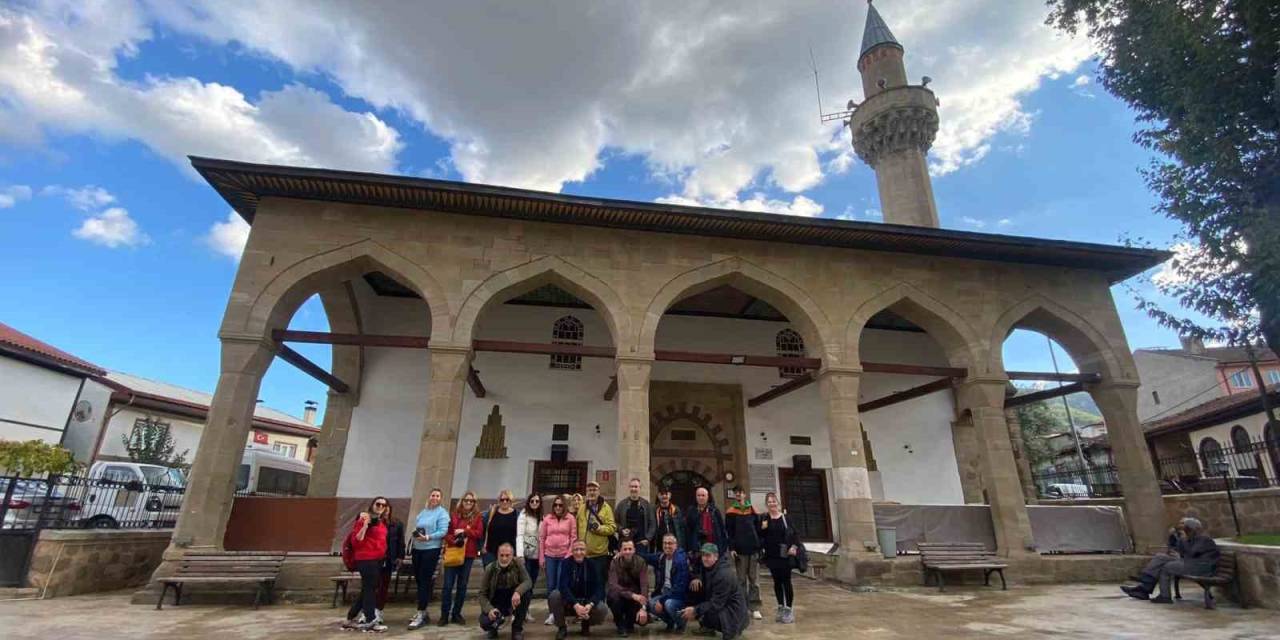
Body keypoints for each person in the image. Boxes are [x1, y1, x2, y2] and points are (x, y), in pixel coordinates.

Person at [1121, 517, 1220, 603]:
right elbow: (1176, 549)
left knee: (1167, 567)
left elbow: (1191, 553)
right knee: (1160, 557)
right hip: (1191, 563)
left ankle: (1162, 595)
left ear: (1192, 529)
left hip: (1201, 567)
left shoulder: (1204, 539)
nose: (1184, 530)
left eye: (1186, 529)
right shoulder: (1189, 539)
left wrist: (1182, 548)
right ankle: (1146, 582)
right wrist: (1174, 537)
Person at [680, 543, 750, 640]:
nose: (705, 558)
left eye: (708, 555)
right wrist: (697, 578)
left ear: (716, 557)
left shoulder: (723, 574)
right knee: (694, 590)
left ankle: (731, 629)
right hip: (724, 605)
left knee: (705, 613)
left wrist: (695, 610)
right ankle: (708, 626)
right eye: (703, 555)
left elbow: (716, 604)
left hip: (734, 613)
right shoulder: (708, 567)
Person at [341, 497, 389, 632]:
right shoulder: (363, 519)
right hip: (366, 559)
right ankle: (370, 620)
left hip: (377, 560)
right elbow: (357, 541)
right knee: (370, 589)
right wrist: (364, 525)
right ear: (372, 505)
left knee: (368, 588)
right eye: (378, 504)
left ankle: (350, 618)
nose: (380, 506)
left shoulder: (381, 522)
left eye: (383, 505)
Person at [408, 488, 451, 630]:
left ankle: (421, 611)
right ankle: (423, 611)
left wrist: (428, 537)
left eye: (437, 496)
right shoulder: (423, 512)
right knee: (419, 580)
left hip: (431, 549)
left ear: (441, 498)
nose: (434, 497)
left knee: (425, 580)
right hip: (417, 548)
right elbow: (418, 526)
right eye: (432, 495)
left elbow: (443, 531)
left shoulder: (442, 513)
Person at [439, 491, 484, 626]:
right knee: (447, 586)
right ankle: (444, 614)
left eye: (471, 501)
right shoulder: (453, 516)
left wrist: (465, 532)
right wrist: (454, 541)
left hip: (468, 554)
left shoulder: (477, 517)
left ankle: (456, 613)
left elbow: (479, 533)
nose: (468, 503)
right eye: (466, 500)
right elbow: (446, 533)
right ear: (462, 501)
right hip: (453, 552)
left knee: (462, 586)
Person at [549, 539, 607, 640]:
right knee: (554, 595)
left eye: (582, 549)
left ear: (586, 551)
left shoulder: (592, 564)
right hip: (570, 602)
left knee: (602, 609)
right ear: (572, 551)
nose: (579, 552)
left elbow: (599, 588)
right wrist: (575, 605)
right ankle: (562, 627)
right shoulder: (566, 563)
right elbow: (563, 586)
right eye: (576, 549)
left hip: (587, 603)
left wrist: (590, 604)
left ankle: (586, 623)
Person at [759, 492, 800, 623]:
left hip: (785, 554)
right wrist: (763, 529)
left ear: (778, 502)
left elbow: (795, 535)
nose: (772, 503)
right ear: (767, 504)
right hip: (772, 555)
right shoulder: (765, 518)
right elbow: (761, 536)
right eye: (769, 501)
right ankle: (780, 606)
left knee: (786, 581)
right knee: (776, 581)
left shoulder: (786, 518)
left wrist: (793, 546)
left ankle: (789, 608)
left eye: (773, 501)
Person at [478, 542, 533, 640]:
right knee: (484, 622)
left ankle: (517, 629)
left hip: (512, 600)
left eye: (507, 555)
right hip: (496, 601)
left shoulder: (518, 565)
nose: (504, 558)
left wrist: (518, 592)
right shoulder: (490, 568)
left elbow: (528, 581)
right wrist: (489, 609)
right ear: (497, 555)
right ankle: (492, 629)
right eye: (501, 555)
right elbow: (482, 593)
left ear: (512, 555)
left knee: (526, 594)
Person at [724, 486, 762, 619]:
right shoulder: (730, 512)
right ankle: (742, 607)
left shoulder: (752, 510)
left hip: (753, 550)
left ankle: (755, 607)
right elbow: (729, 532)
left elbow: (759, 529)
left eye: (741, 493)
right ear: (734, 495)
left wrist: (759, 545)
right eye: (736, 493)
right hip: (740, 551)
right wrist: (732, 548)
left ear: (745, 494)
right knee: (740, 580)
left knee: (754, 580)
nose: (739, 495)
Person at [576, 481, 617, 603]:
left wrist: (599, 528)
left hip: (599, 554)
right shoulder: (582, 508)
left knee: (599, 582)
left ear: (599, 492)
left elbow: (612, 527)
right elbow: (577, 526)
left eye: (594, 490)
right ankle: (586, 608)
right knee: (585, 582)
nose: (592, 492)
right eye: (589, 490)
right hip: (584, 554)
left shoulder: (606, 508)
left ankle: (599, 608)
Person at [540, 494, 577, 625]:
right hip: (549, 556)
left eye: (560, 505)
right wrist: (541, 557)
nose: (558, 507)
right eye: (555, 505)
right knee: (550, 586)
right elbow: (542, 538)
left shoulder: (570, 518)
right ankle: (552, 613)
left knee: (561, 586)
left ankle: (561, 614)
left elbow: (573, 537)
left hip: (564, 556)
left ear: (564, 506)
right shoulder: (547, 519)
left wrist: (569, 554)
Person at [645, 533, 690, 632]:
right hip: (665, 592)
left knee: (668, 604)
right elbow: (647, 557)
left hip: (679, 596)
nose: (667, 546)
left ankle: (681, 623)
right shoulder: (662, 557)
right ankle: (670, 622)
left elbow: (679, 589)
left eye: (670, 543)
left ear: (676, 545)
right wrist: (631, 552)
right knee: (650, 604)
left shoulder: (680, 561)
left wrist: (661, 601)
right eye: (665, 543)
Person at [606, 538, 650, 636]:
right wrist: (632, 595)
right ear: (620, 551)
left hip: (635, 597)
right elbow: (613, 585)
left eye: (630, 549)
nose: (627, 551)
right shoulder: (614, 562)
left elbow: (644, 584)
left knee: (643, 621)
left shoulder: (641, 562)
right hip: (620, 595)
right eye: (625, 549)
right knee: (613, 597)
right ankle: (620, 625)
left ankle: (629, 622)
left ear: (634, 550)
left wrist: (643, 608)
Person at [374, 501, 405, 625]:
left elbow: (400, 542)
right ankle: (367, 611)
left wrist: (400, 556)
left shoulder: (396, 524)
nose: (384, 509)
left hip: (388, 558)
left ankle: (379, 610)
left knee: (383, 586)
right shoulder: (374, 522)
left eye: (386, 507)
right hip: (374, 558)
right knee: (371, 586)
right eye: (381, 506)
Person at [682, 486, 727, 559]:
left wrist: (723, 548)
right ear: (696, 497)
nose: (701, 498)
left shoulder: (714, 511)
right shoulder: (691, 511)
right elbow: (687, 531)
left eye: (703, 495)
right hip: (697, 549)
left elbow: (722, 529)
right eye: (698, 495)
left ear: (707, 497)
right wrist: (689, 548)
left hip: (713, 547)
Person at [614, 478, 656, 554]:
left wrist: (648, 538)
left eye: (636, 487)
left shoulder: (646, 505)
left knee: (641, 564)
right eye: (632, 486)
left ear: (640, 488)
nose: (634, 489)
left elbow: (652, 523)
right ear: (629, 488)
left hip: (641, 543)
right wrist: (621, 530)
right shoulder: (621, 505)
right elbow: (614, 522)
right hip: (625, 543)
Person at [516, 491, 544, 598]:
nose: (534, 503)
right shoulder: (524, 515)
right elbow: (519, 535)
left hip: (536, 556)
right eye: (532, 501)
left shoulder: (542, 517)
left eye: (537, 501)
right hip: (526, 555)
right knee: (524, 584)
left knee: (532, 584)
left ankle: (525, 611)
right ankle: (519, 612)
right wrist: (520, 555)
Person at [483, 489, 520, 568]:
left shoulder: (517, 514)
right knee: (491, 577)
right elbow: (483, 528)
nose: (505, 502)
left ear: (511, 501)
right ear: (499, 501)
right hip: (491, 551)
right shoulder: (491, 512)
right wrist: (483, 546)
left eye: (507, 499)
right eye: (502, 500)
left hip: (509, 553)